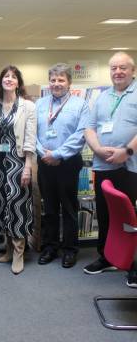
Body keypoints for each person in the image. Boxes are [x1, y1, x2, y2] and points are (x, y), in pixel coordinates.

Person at [84, 51, 137, 287]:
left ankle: (133, 263)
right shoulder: (102, 97)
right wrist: (97, 148)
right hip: (103, 165)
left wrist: (127, 151)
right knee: (105, 214)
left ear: (132, 70)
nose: (118, 72)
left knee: (131, 218)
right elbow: (90, 127)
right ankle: (105, 256)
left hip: (131, 166)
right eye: (114, 68)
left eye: (123, 67)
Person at [36, 63, 89, 268]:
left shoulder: (80, 105)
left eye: (61, 80)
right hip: (44, 162)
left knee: (68, 208)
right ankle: (50, 247)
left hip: (68, 162)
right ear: (49, 82)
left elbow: (81, 134)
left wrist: (58, 154)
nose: (56, 84)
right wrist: (44, 154)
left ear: (69, 82)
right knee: (48, 208)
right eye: (53, 80)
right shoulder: (40, 104)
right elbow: (33, 134)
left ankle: (69, 250)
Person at [0, 66, 36, 274]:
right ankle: (7, 249)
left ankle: (18, 253)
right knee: (1, 205)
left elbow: (30, 140)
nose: (9, 79)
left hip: (18, 161)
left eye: (13, 77)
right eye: (6, 76)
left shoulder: (28, 107)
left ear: (18, 82)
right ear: (1, 81)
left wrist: (28, 167)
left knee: (17, 206)